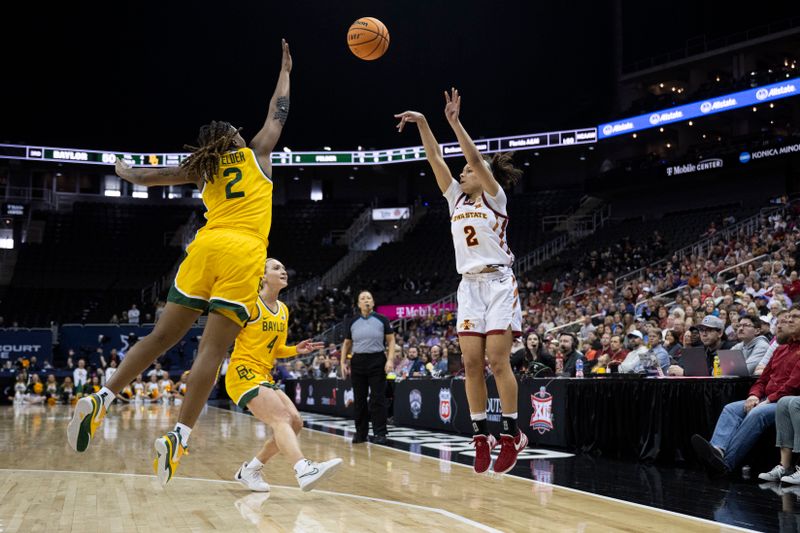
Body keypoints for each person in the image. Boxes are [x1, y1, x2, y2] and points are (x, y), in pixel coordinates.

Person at [67, 39, 292, 487]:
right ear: (233, 139)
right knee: (211, 351)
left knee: (159, 338)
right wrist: (286, 69)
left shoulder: (203, 169)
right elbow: (277, 112)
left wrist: (124, 171)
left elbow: (149, 177)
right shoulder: (256, 155)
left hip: (204, 248)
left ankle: (103, 396)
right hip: (244, 251)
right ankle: (179, 436)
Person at [394, 88, 527, 474]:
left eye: (469, 169)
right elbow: (435, 157)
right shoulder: (455, 200)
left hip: (499, 282)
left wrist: (454, 122)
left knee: (498, 361)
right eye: (465, 171)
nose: (463, 171)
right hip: (468, 287)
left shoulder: (494, 197)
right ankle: (479, 435)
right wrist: (422, 122)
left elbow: (471, 157)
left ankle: (510, 435)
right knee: (470, 364)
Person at [226, 258, 341, 493]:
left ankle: (250, 471)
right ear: (262, 277)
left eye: (284, 268)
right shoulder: (250, 304)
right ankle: (303, 468)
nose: (283, 271)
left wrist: (295, 350)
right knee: (280, 418)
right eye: (276, 268)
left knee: (295, 422)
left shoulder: (283, 310)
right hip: (242, 372)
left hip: (264, 373)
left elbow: (277, 349)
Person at [692, 306, 800, 476]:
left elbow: (793, 385)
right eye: (788, 318)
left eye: (794, 318)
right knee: (731, 409)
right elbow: (762, 379)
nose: (788, 321)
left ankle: (726, 464)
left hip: (786, 401)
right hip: (767, 398)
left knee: (757, 414)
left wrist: (768, 400)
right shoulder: (779, 350)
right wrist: (753, 395)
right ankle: (717, 450)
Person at [341, 291, 395, 444]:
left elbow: (391, 341)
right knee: (359, 400)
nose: (366, 301)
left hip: (377, 359)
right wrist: (342, 363)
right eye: (363, 298)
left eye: (369, 298)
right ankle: (361, 433)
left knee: (378, 398)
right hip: (358, 361)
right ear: (358, 304)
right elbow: (346, 344)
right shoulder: (352, 321)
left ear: (373, 302)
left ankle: (380, 433)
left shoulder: (382, 319)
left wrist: (390, 360)